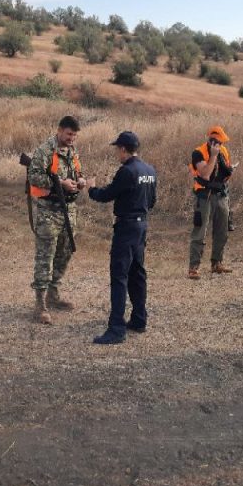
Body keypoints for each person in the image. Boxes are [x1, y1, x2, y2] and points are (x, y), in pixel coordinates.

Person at [87, 131, 157, 345]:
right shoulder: (149, 170)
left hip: (126, 228)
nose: (117, 153)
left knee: (119, 276)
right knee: (137, 273)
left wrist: (91, 188)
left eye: (118, 149)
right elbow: (152, 201)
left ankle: (116, 329)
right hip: (141, 226)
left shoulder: (126, 171)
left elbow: (106, 195)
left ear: (124, 149)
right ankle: (139, 319)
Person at [27, 115, 88, 324]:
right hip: (49, 211)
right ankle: (40, 304)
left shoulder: (72, 151)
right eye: (69, 134)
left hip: (69, 210)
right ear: (60, 130)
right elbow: (34, 176)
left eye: (75, 135)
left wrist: (80, 180)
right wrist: (60, 183)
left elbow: (77, 170)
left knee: (65, 251)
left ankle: (53, 294)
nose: (72, 138)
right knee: (45, 256)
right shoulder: (45, 151)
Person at [188, 125, 235, 279]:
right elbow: (206, 174)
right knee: (200, 232)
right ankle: (193, 268)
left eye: (222, 142)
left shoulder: (223, 151)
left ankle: (217, 263)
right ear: (212, 140)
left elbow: (226, 172)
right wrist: (214, 156)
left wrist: (229, 170)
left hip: (221, 195)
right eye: (219, 142)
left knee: (222, 231)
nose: (221, 144)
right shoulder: (198, 153)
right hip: (204, 196)